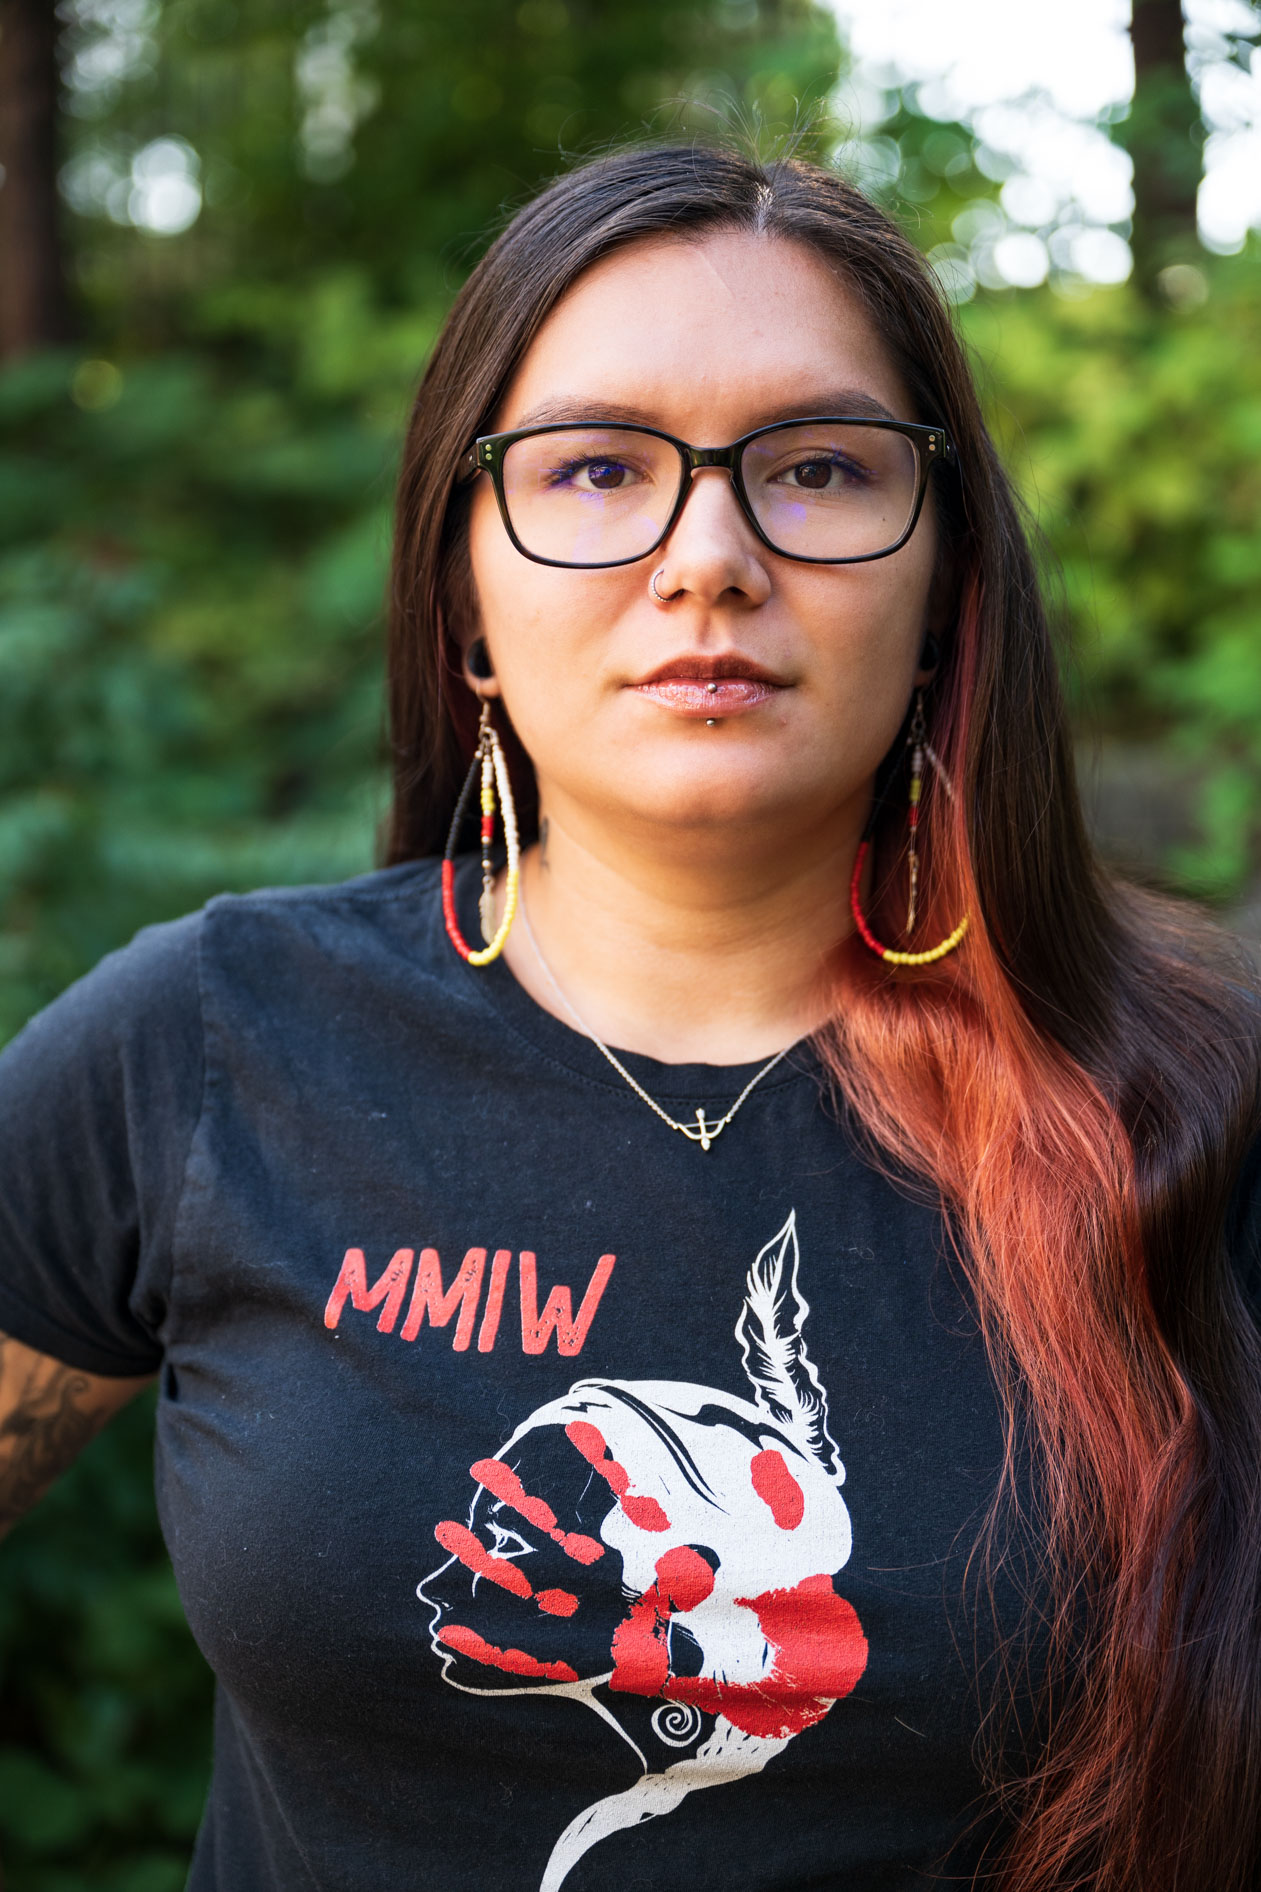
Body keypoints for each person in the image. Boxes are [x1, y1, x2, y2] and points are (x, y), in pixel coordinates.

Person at [0, 140, 1258, 1892]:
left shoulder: (1187, 1110)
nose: (708, 558)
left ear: (941, 595)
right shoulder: (209, 1044)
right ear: (465, 602)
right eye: (596, 468)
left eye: (817, 468)